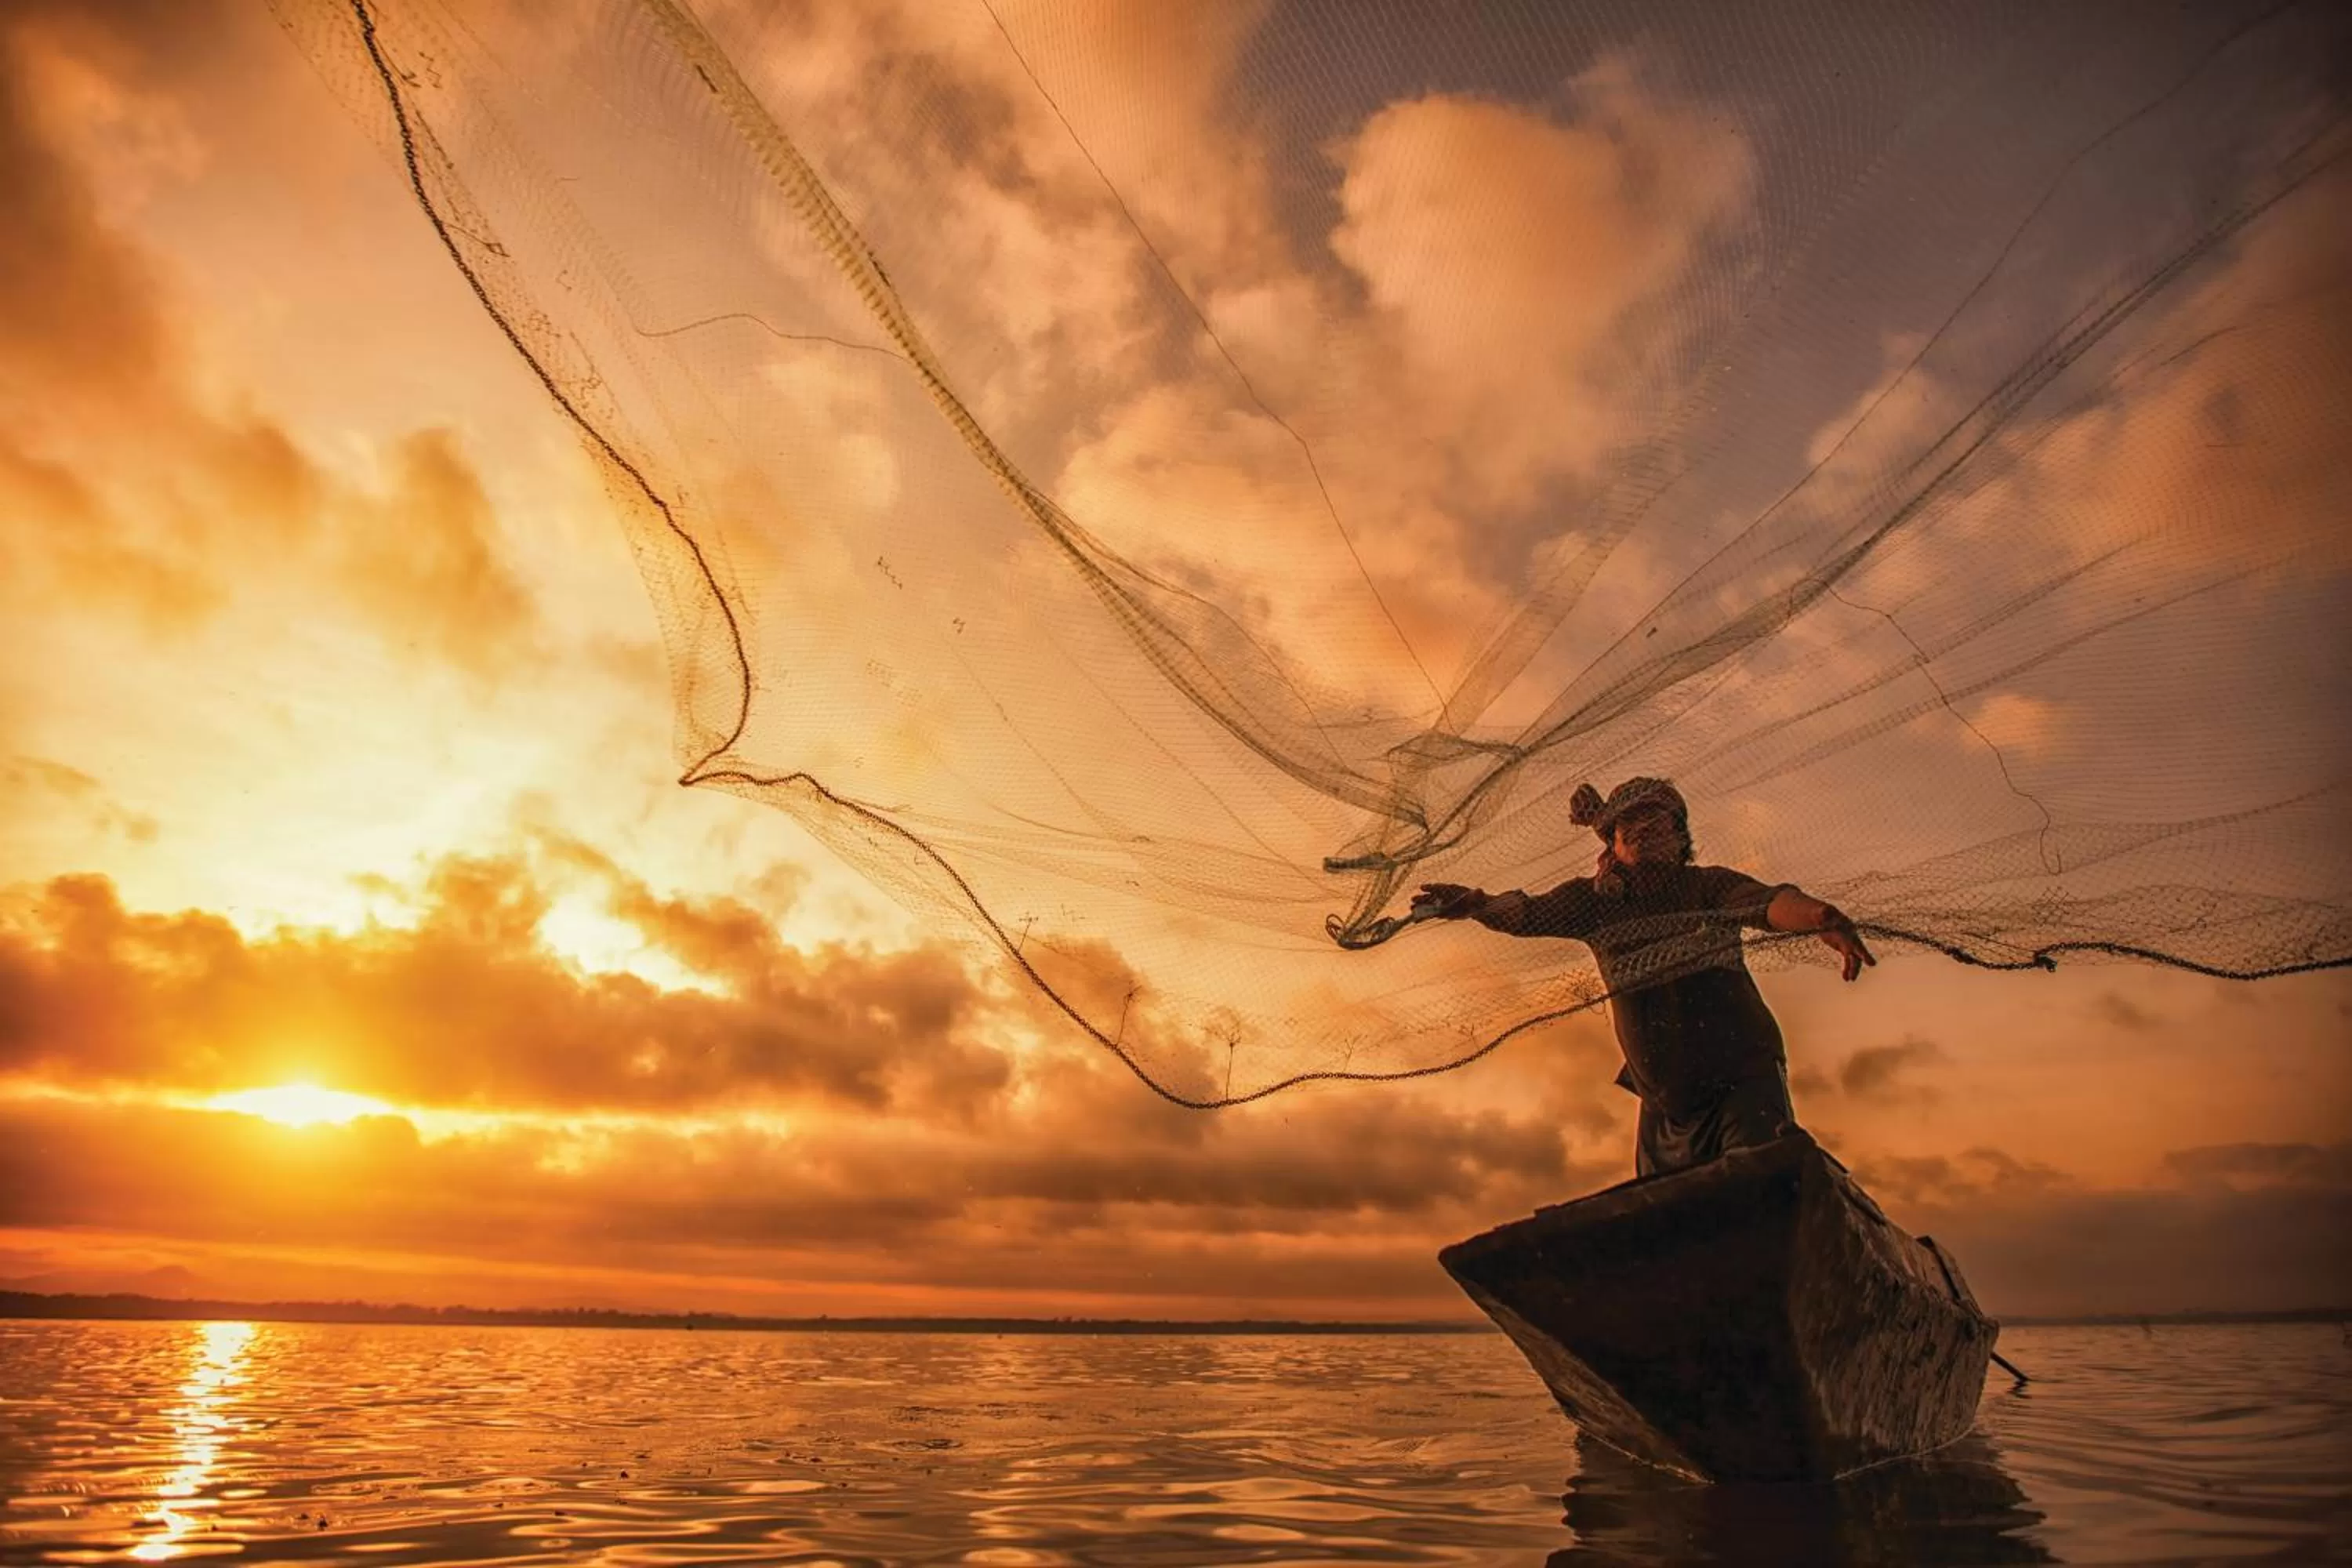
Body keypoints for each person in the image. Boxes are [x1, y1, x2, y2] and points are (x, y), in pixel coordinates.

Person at [1413, 776, 1873, 1178]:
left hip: (1743, 1086)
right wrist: (1476, 905)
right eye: (1628, 824)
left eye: (1658, 820)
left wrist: (1819, 916)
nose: (1643, 830)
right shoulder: (1592, 903)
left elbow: (1769, 903)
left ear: (1680, 838)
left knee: (1760, 1193)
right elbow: (1526, 913)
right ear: (1611, 842)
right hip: (1663, 1107)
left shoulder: (1707, 886)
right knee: (1674, 1229)